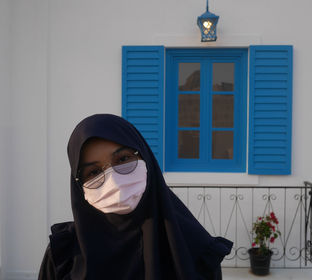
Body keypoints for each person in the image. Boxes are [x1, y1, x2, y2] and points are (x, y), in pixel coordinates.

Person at [39, 114, 233, 279]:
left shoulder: (196, 251)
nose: (113, 181)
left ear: (145, 158)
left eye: (123, 159)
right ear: (78, 186)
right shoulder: (63, 258)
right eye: (94, 173)